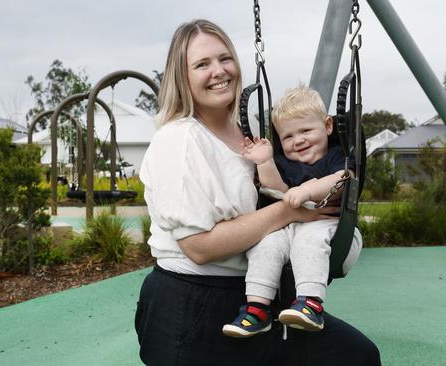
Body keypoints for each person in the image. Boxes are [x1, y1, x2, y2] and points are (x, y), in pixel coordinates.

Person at [135, 19, 380, 366]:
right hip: (193, 303)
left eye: (224, 59)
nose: (219, 71)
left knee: (357, 356)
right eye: (202, 64)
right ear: (183, 78)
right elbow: (199, 247)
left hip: (255, 296)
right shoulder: (180, 139)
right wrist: (290, 211)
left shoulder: (249, 136)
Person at [222, 85, 360, 338]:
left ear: (327, 126)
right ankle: (257, 310)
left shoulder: (335, 156)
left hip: (334, 232)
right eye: (288, 137)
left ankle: (311, 304)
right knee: (266, 243)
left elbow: (344, 178)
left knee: (308, 239)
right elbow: (277, 191)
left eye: (306, 130)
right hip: (291, 229)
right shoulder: (287, 163)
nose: (298, 140)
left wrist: (309, 190)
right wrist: (265, 162)